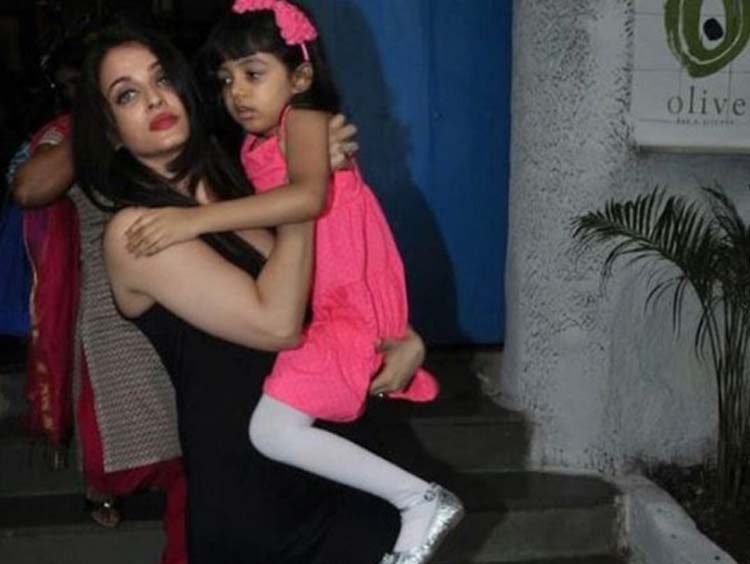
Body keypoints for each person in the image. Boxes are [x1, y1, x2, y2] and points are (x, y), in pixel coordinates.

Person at [72, 21, 427, 564]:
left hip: (340, 461)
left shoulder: (242, 183)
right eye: (127, 95)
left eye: (162, 79)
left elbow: (332, 282)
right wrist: (305, 194)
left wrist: (403, 337)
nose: (154, 100)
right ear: (111, 130)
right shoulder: (136, 232)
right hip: (252, 497)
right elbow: (277, 323)